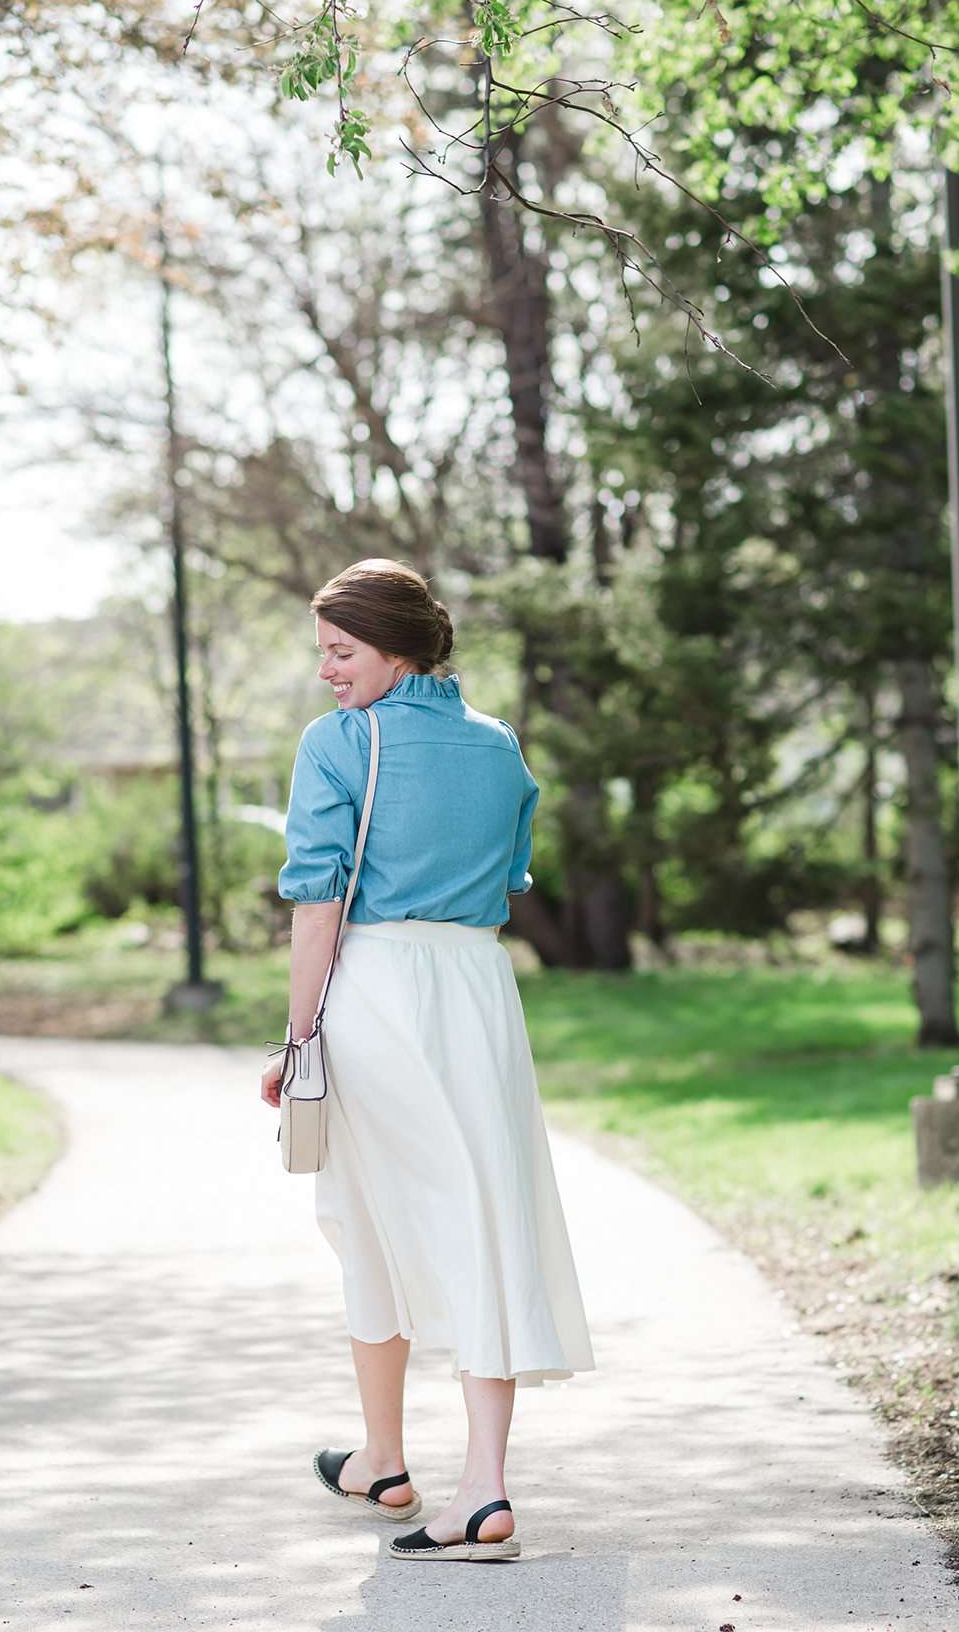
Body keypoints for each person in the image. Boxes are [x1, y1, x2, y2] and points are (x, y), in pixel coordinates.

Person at [261, 558, 595, 1563]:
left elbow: (320, 905)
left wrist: (298, 1035)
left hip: (380, 985)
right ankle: (444, 1477)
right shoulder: (499, 744)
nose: (327, 670)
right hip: (480, 991)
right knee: (482, 1211)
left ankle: (406, 1460)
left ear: (395, 646)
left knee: (376, 1219)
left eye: (342, 649)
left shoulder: (340, 743)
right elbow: (510, 872)